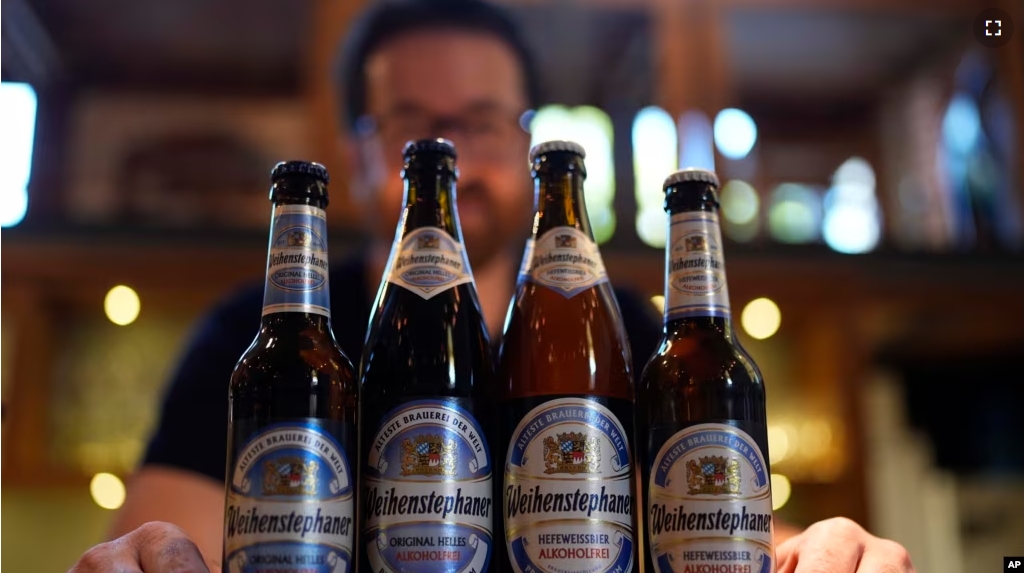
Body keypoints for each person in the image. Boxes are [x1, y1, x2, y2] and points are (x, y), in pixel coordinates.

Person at [68, 0, 916, 572]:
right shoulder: (261, 337)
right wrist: (145, 555)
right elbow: (175, 536)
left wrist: (835, 551)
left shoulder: (617, 321)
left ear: (525, 144)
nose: (455, 157)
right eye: (414, 127)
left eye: (478, 122)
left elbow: (712, 525)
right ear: (365, 153)